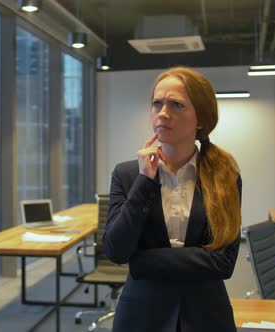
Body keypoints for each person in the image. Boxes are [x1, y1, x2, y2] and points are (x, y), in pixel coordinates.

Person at [102, 66, 242, 332]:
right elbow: (116, 250)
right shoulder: (128, 174)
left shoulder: (224, 176)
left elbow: (224, 262)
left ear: (200, 119)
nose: (163, 113)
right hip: (142, 315)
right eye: (157, 103)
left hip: (206, 316)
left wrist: (143, 261)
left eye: (176, 105)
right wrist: (145, 181)